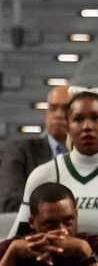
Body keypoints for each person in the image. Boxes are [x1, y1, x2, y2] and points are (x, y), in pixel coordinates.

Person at [10, 88, 98, 246]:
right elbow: (15, 241)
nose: (87, 126)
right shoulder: (44, 175)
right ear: (68, 126)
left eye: (96, 118)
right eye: (78, 119)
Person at [0, 84, 69, 212]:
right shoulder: (19, 151)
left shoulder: (90, 159)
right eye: (53, 108)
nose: (58, 115)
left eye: (66, 109)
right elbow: (10, 202)